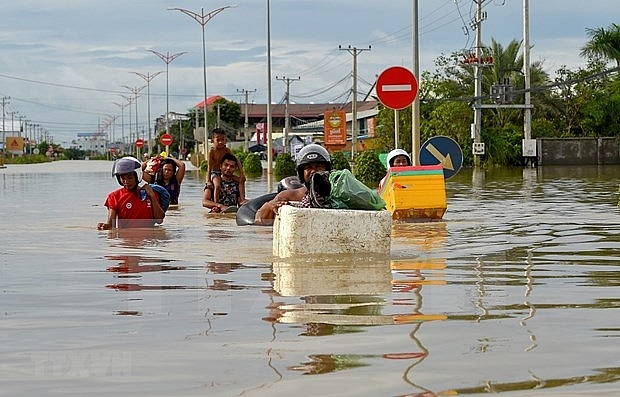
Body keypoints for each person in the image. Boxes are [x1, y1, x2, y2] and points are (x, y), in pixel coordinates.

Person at [254, 143, 332, 225]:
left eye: (319, 167)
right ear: (301, 173)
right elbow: (258, 220)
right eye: (308, 168)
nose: (313, 171)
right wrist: (270, 207)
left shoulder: (338, 193)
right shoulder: (288, 196)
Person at [97, 157, 166, 230]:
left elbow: (159, 220)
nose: (126, 181)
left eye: (130, 178)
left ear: (137, 176)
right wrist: (104, 226)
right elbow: (111, 226)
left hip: (148, 240)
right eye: (123, 178)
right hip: (125, 239)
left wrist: (152, 196)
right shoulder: (114, 196)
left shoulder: (150, 193)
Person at [206, 128, 246, 205]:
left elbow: (236, 160)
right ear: (212, 140)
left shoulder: (226, 150)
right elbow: (209, 167)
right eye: (218, 140)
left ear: (225, 140)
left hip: (224, 172)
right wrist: (208, 180)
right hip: (215, 173)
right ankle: (216, 204)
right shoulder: (212, 151)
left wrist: (242, 174)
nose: (220, 142)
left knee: (241, 181)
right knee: (217, 186)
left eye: (223, 140)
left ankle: (242, 199)